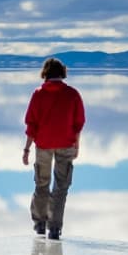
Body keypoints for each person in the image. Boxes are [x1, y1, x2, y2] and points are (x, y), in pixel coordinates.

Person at [23, 57, 85, 238]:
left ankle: (40, 224)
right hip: (66, 144)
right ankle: (55, 228)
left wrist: (26, 149)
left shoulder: (38, 94)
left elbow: (31, 125)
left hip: (43, 145)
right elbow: (78, 123)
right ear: (62, 73)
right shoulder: (72, 94)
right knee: (61, 187)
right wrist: (77, 144)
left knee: (41, 184)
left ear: (45, 73)